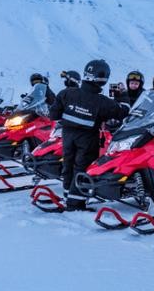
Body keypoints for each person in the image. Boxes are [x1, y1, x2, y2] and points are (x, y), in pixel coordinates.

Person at [49, 59, 130, 211]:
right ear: (103, 78)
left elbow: (53, 114)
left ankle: (68, 196)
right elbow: (122, 111)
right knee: (82, 167)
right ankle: (75, 203)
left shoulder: (66, 93)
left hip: (67, 134)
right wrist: (123, 95)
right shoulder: (102, 101)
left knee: (68, 164)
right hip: (87, 137)